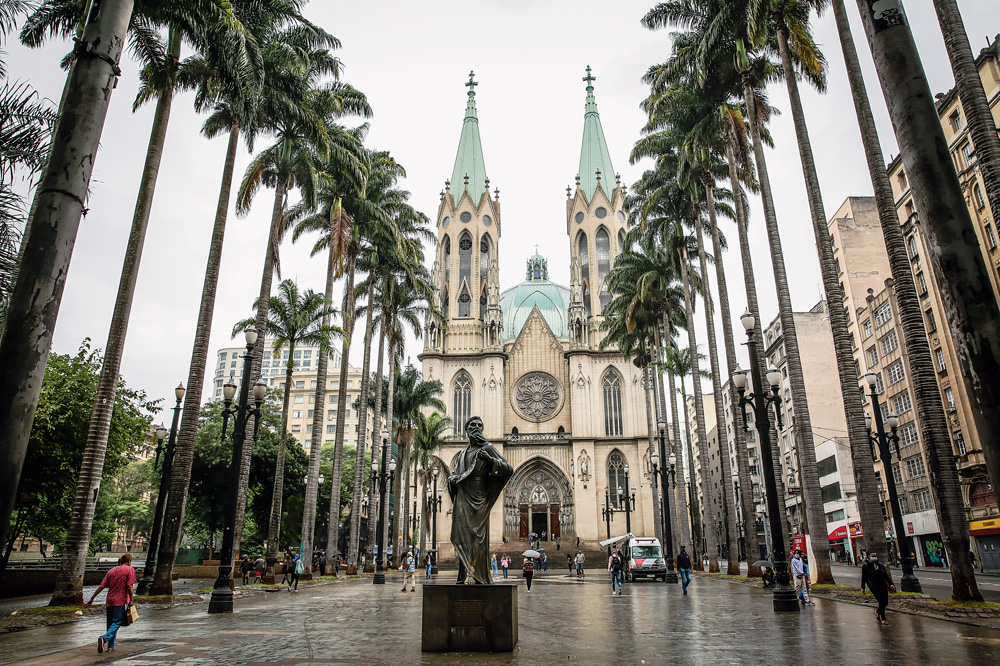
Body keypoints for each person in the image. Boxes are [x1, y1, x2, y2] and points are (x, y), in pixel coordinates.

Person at [448, 416, 514, 584]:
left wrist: (490, 460)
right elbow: (455, 473)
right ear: (466, 429)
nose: (476, 427)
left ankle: (478, 575)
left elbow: (508, 468)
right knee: (461, 536)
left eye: (479, 425)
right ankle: (463, 575)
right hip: (463, 495)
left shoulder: (488, 448)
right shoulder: (462, 453)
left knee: (476, 536)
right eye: (472, 425)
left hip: (479, 496)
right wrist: (452, 480)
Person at [86, 553, 137, 654]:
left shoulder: (111, 571)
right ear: (129, 561)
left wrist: (92, 598)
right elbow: (129, 586)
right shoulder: (129, 570)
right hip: (121, 600)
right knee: (117, 622)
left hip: (109, 600)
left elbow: (101, 586)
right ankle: (104, 638)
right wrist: (131, 599)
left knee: (110, 624)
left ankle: (110, 646)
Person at [861, 552, 895, 625]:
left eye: (875, 556)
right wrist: (863, 587)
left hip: (882, 584)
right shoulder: (866, 566)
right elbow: (863, 577)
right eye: (872, 556)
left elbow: (885, 575)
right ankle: (883, 619)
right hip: (873, 585)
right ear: (869, 557)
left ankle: (877, 611)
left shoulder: (880, 565)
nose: (874, 558)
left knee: (885, 602)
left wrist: (890, 584)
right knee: (881, 601)